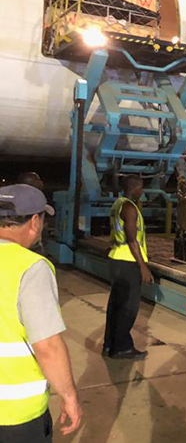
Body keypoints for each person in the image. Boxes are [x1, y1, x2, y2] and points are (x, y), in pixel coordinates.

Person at [0, 184, 82, 442]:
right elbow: (47, 346)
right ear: (35, 221)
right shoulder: (31, 268)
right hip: (14, 414)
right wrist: (69, 396)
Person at [103, 175, 154, 360]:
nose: (142, 191)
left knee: (115, 306)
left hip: (117, 258)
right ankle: (122, 348)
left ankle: (110, 345)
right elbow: (132, 239)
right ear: (136, 187)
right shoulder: (130, 208)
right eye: (141, 187)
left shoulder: (118, 204)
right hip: (128, 262)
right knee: (128, 308)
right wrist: (143, 266)